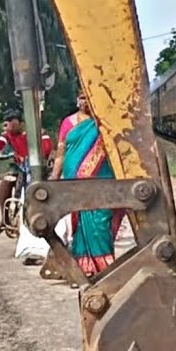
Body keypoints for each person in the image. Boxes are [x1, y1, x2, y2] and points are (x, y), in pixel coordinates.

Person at [51, 91, 125, 276]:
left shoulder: (104, 123)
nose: (85, 101)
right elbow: (61, 153)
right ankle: (84, 266)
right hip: (74, 178)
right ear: (77, 99)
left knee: (101, 220)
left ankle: (104, 265)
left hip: (102, 179)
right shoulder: (68, 123)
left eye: (88, 97)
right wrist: (54, 177)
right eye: (82, 97)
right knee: (79, 222)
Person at [0, 109, 53, 239]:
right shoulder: (8, 135)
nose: (7, 126)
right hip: (19, 167)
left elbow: (47, 147)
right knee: (6, 182)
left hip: (36, 167)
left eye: (10, 123)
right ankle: (4, 218)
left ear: (18, 122)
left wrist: (33, 157)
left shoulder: (36, 132)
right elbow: (0, 142)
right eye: (6, 123)